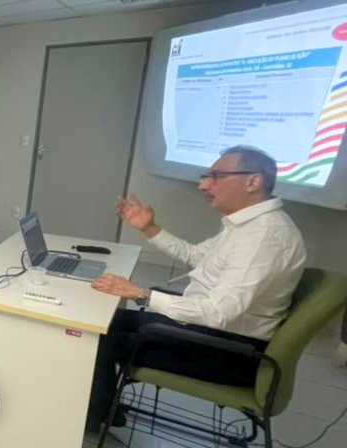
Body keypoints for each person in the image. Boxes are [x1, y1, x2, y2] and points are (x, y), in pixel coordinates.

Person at [86, 146, 306, 431]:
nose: (203, 185)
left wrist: (143, 294)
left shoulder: (264, 237)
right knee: (101, 322)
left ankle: (94, 418)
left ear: (253, 181)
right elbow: (196, 256)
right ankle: (104, 407)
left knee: (96, 338)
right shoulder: (248, 226)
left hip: (228, 352)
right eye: (205, 176)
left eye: (215, 177)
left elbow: (217, 314)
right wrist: (149, 228)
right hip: (209, 331)